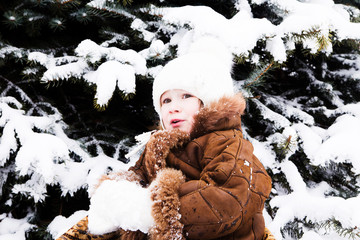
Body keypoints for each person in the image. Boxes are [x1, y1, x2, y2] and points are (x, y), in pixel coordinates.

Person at [57, 39, 273, 240]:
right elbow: (140, 178)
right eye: (166, 100)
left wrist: (149, 210)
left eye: (186, 96)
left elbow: (228, 200)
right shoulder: (159, 146)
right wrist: (116, 196)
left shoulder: (227, 143)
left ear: (208, 103)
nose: (173, 107)